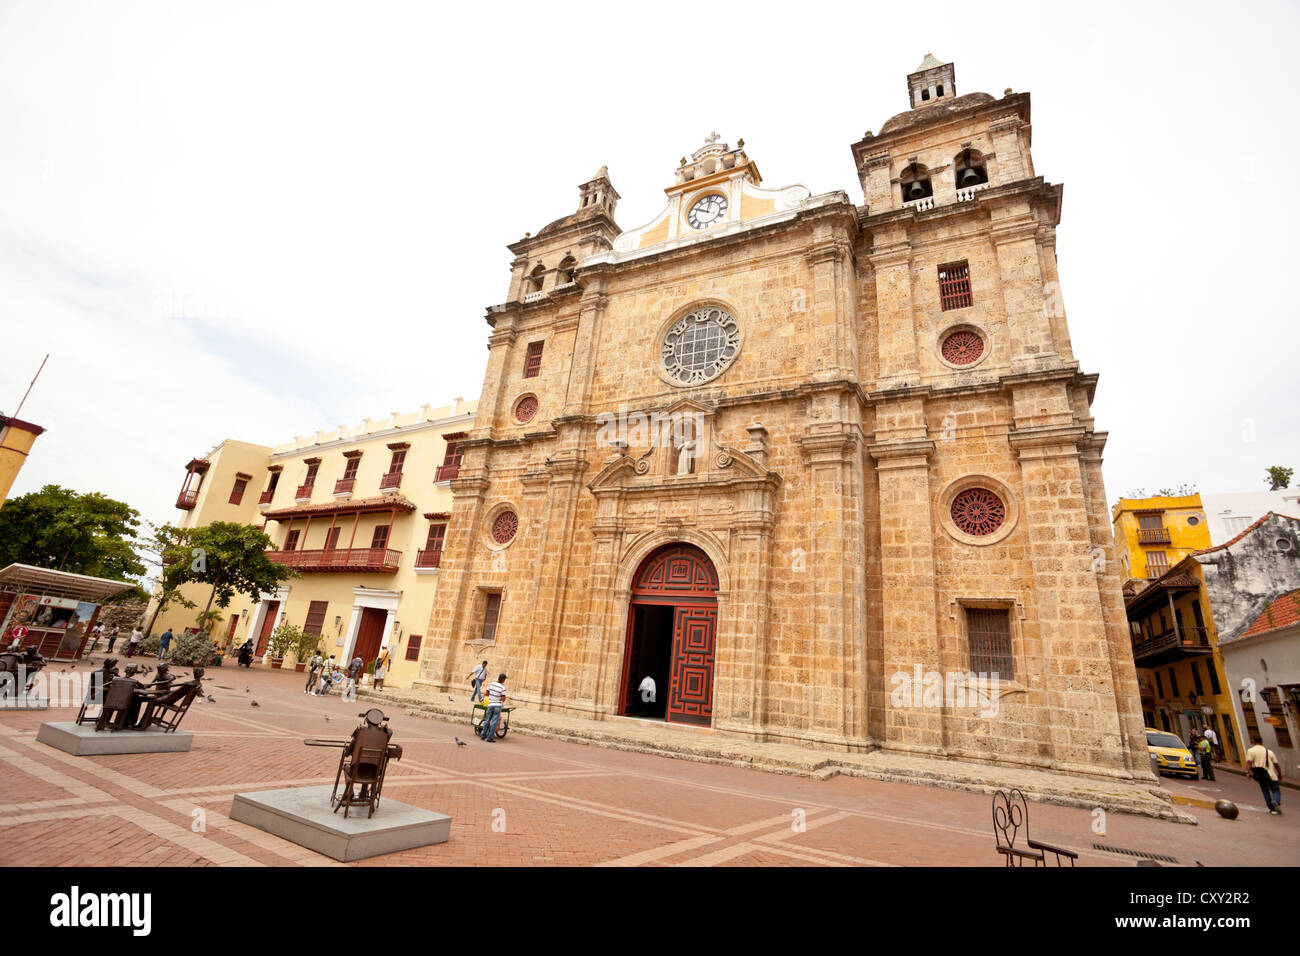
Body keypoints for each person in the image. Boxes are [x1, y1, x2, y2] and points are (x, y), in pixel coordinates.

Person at [1245, 742, 1283, 815]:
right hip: (1271, 775)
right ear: (1262, 742)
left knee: (1265, 791)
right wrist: (1279, 774)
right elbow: (1276, 764)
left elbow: (1249, 762)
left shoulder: (1251, 751)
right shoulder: (1269, 752)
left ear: (1254, 742)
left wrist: (1248, 772)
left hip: (1261, 775)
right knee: (1275, 790)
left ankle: (1272, 809)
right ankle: (1276, 801)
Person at [480, 673, 507, 742]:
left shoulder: (491, 684)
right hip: (497, 706)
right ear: (503, 680)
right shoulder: (503, 687)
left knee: (487, 720)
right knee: (494, 722)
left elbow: (486, 693)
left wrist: (492, 696)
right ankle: (489, 738)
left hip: (490, 704)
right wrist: (499, 699)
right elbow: (503, 699)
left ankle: (483, 735)